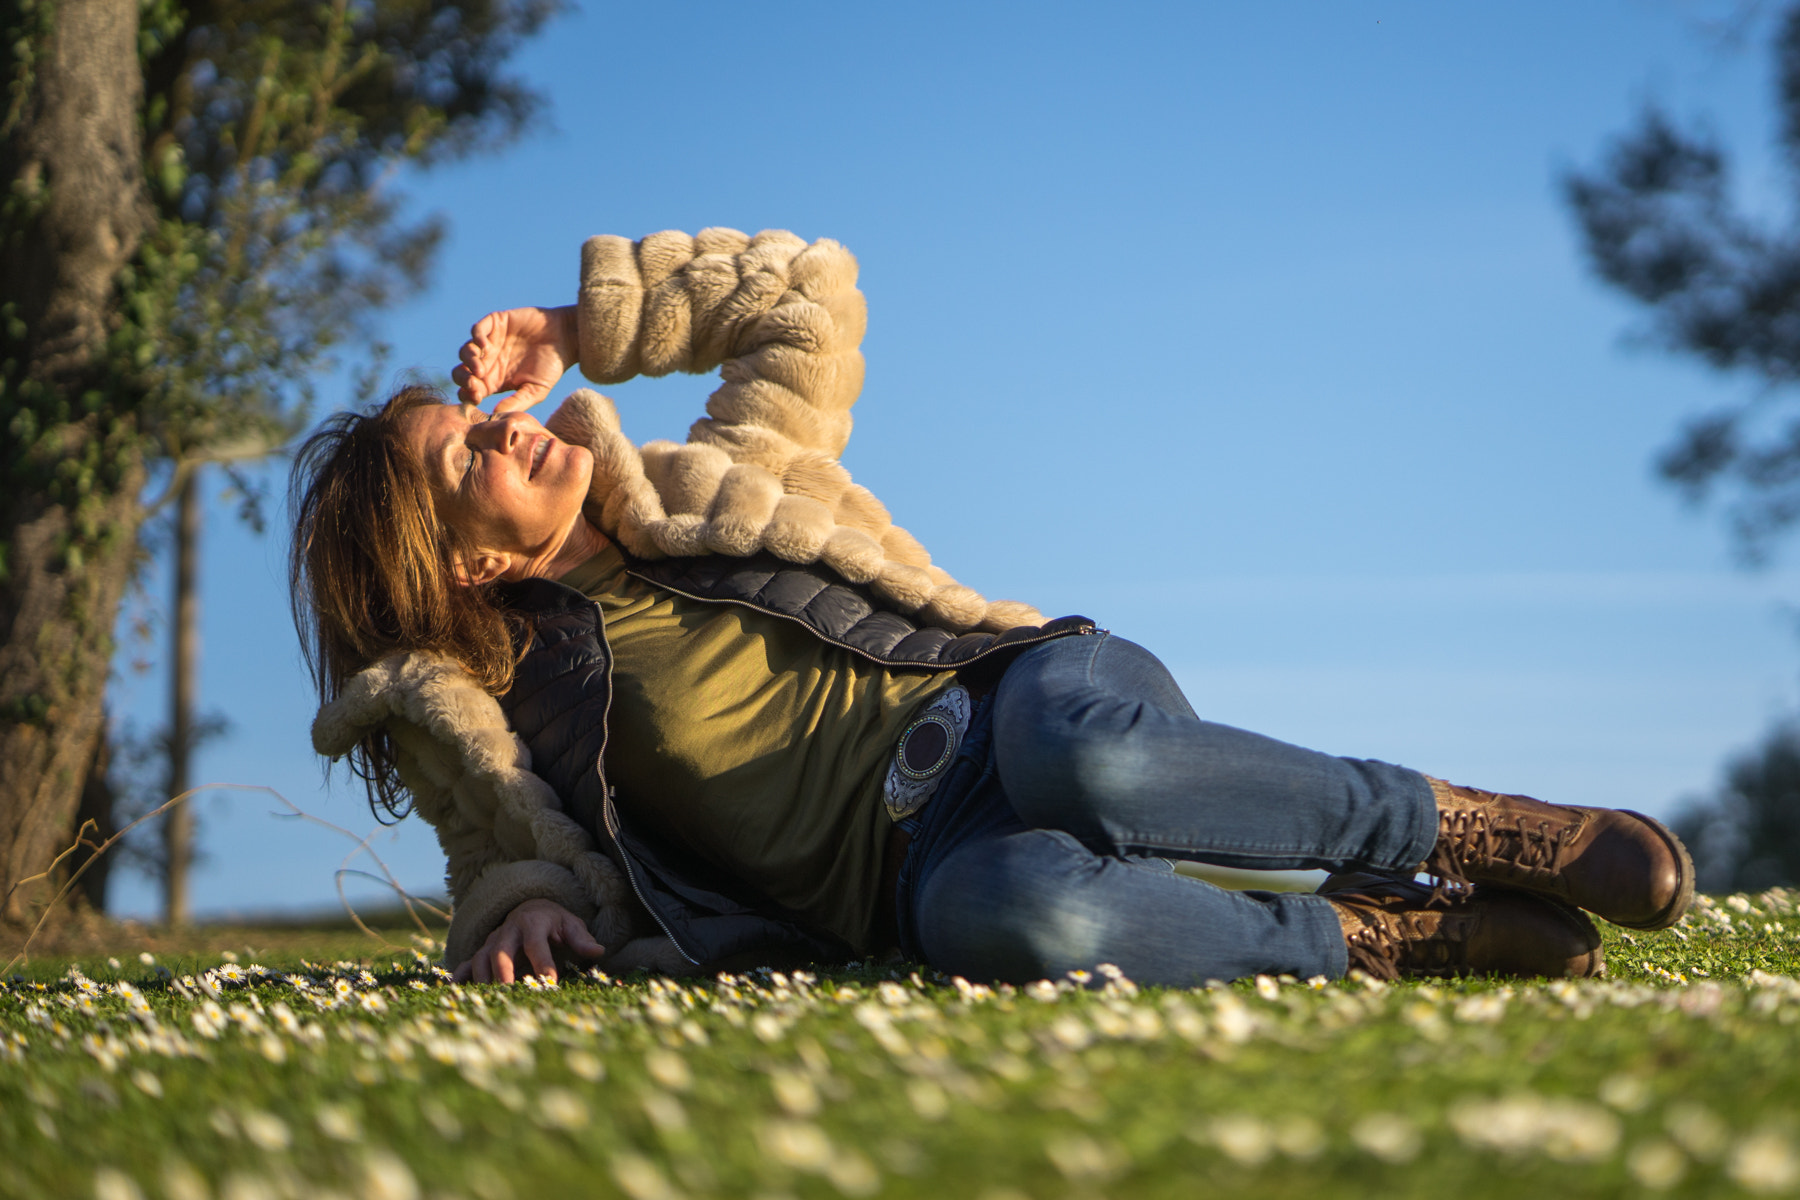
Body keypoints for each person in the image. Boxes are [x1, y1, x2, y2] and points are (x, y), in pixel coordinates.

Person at [293, 228, 1693, 989]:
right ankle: (1392, 932)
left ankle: (1475, 827)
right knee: (997, 922)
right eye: (462, 462)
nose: (504, 433)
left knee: (1084, 757)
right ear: (460, 566)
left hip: (1010, 702)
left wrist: (578, 321)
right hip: (922, 878)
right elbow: (500, 848)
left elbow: (804, 296)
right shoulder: (501, 705)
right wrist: (519, 915)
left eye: (480, 421)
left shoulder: (717, 477)